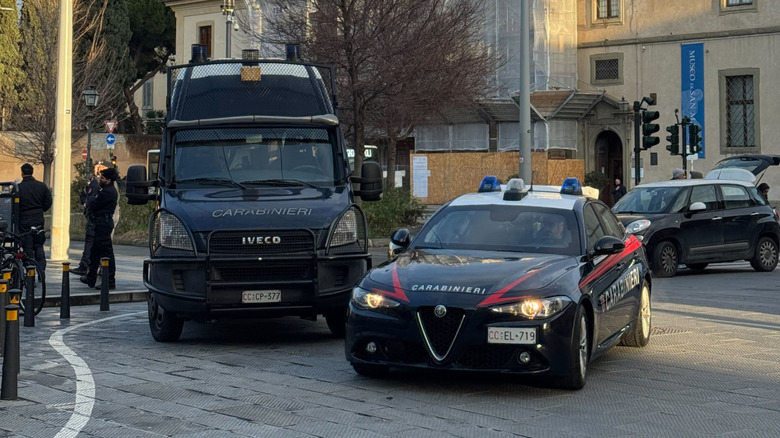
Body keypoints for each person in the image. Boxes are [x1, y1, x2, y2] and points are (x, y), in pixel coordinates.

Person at [81, 167, 119, 289]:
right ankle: (91, 277)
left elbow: (94, 204)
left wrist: (90, 201)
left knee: (106, 253)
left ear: (108, 180)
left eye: (102, 178)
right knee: (95, 252)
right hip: (101, 223)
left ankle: (109, 280)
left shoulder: (107, 192)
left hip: (103, 223)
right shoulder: (105, 191)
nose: (100, 180)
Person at [71, 165, 107, 275]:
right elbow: (84, 196)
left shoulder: (96, 184)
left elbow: (91, 199)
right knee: (97, 244)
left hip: (94, 219)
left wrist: (88, 204)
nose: (95, 171)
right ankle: (98, 268)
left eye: (98, 169)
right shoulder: (96, 184)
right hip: (96, 219)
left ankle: (86, 266)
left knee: (91, 243)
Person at [17, 163, 52, 272]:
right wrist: (41, 209)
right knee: (38, 244)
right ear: (32, 172)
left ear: (22, 173)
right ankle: (41, 270)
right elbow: (48, 201)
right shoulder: (42, 186)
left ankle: (29, 271)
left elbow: (15, 205)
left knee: (27, 246)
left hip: (24, 219)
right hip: (38, 218)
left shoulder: (19, 188)